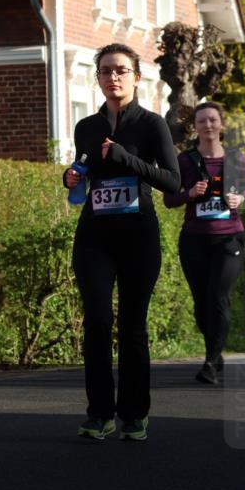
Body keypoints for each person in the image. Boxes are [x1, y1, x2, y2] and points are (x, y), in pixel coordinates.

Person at [62, 43, 180, 442]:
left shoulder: (151, 125)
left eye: (121, 71)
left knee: (132, 325)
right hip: (95, 234)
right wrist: (72, 177)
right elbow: (84, 168)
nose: (113, 77)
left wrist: (127, 158)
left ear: (136, 77)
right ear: (97, 78)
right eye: (106, 71)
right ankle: (99, 413)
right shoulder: (87, 127)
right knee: (96, 321)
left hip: (138, 235)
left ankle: (134, 413)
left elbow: (173, 181)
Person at [163, 102, 245, 385]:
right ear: (195, 127)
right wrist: (190, 193)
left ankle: (211, 362)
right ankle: (216, 349)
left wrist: (240, 199)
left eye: (213, 120)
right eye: (202, 121)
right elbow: (169, 199)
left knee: (218, 297)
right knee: (201, 304)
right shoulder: (185, 161)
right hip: (195, 239)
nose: (208, 126)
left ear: (221, 124)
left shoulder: (236, 159)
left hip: (229, 236)